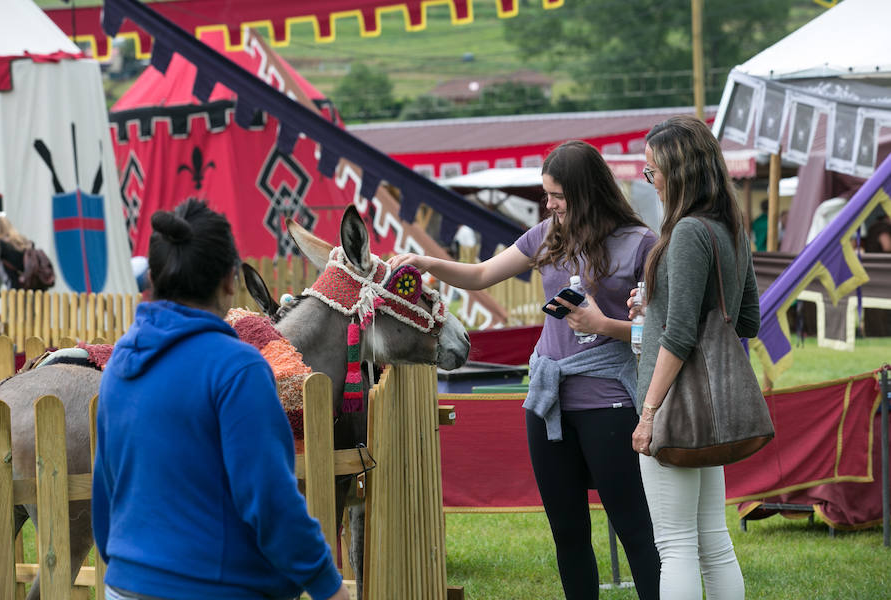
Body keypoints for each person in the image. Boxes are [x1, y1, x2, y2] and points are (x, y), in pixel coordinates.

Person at [388, 140, 660, 599]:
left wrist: (603, 324)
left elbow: (655, 332)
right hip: (547, 402)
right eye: (546, 195)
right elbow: (480, 275)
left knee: (634, 529)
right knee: (567, 533)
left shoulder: (641, 244)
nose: (549, 205)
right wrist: (425, 263)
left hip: (609, 403)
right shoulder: (548, 235)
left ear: (588, 191)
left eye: (557, 196)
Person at [92, 199, 348, 600]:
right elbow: (270, 499)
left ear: (153, 280)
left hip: (125, 586)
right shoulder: (238, 368)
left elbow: (107, 494)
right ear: (231, 280)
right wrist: (327, 585)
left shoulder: (121, 361)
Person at [631, 115, 760, 600]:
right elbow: (747, 320)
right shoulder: (729, 226)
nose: (652, 182)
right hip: (712, 404)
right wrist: (654, 305)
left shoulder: (685, 233)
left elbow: (680, 336)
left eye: (653, 171)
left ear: (679, 172)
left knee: (676, 544)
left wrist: (648, 413)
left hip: (673, 404)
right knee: (713, 541)